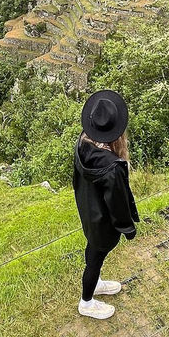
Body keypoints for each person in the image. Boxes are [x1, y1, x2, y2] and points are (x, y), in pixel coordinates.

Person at [73, 89, 139, 319]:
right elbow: (118, 203)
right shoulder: (111, 167)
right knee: (95, 256)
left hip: (89, 212)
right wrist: (128, 228)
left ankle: (97, 283)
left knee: (93, 251)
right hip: (103, 223)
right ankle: (87, 302)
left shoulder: (83, 143)